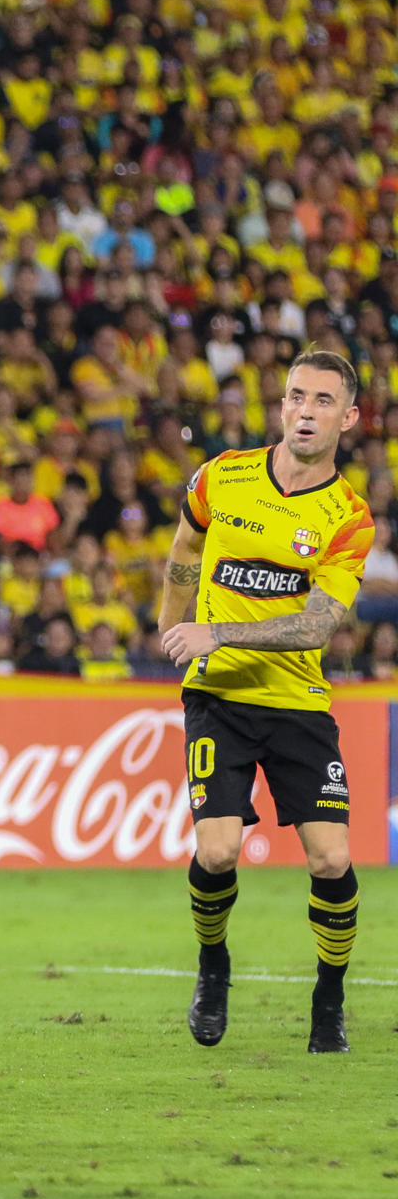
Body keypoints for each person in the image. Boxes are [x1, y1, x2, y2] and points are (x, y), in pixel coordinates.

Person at [158, 350, 374, 1055]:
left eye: (321, 401)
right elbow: (187, 543)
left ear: (350, 416)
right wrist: (172, 623)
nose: (304, 411)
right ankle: (213, 965)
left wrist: (215, 629)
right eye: (294, 396)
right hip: (217, 695)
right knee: (217, 852)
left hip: (297, 702)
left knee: (331, 860)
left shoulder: (349, 516)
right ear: (280, 403)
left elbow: (317, 624)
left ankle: (329, 998)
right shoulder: (222, 475)